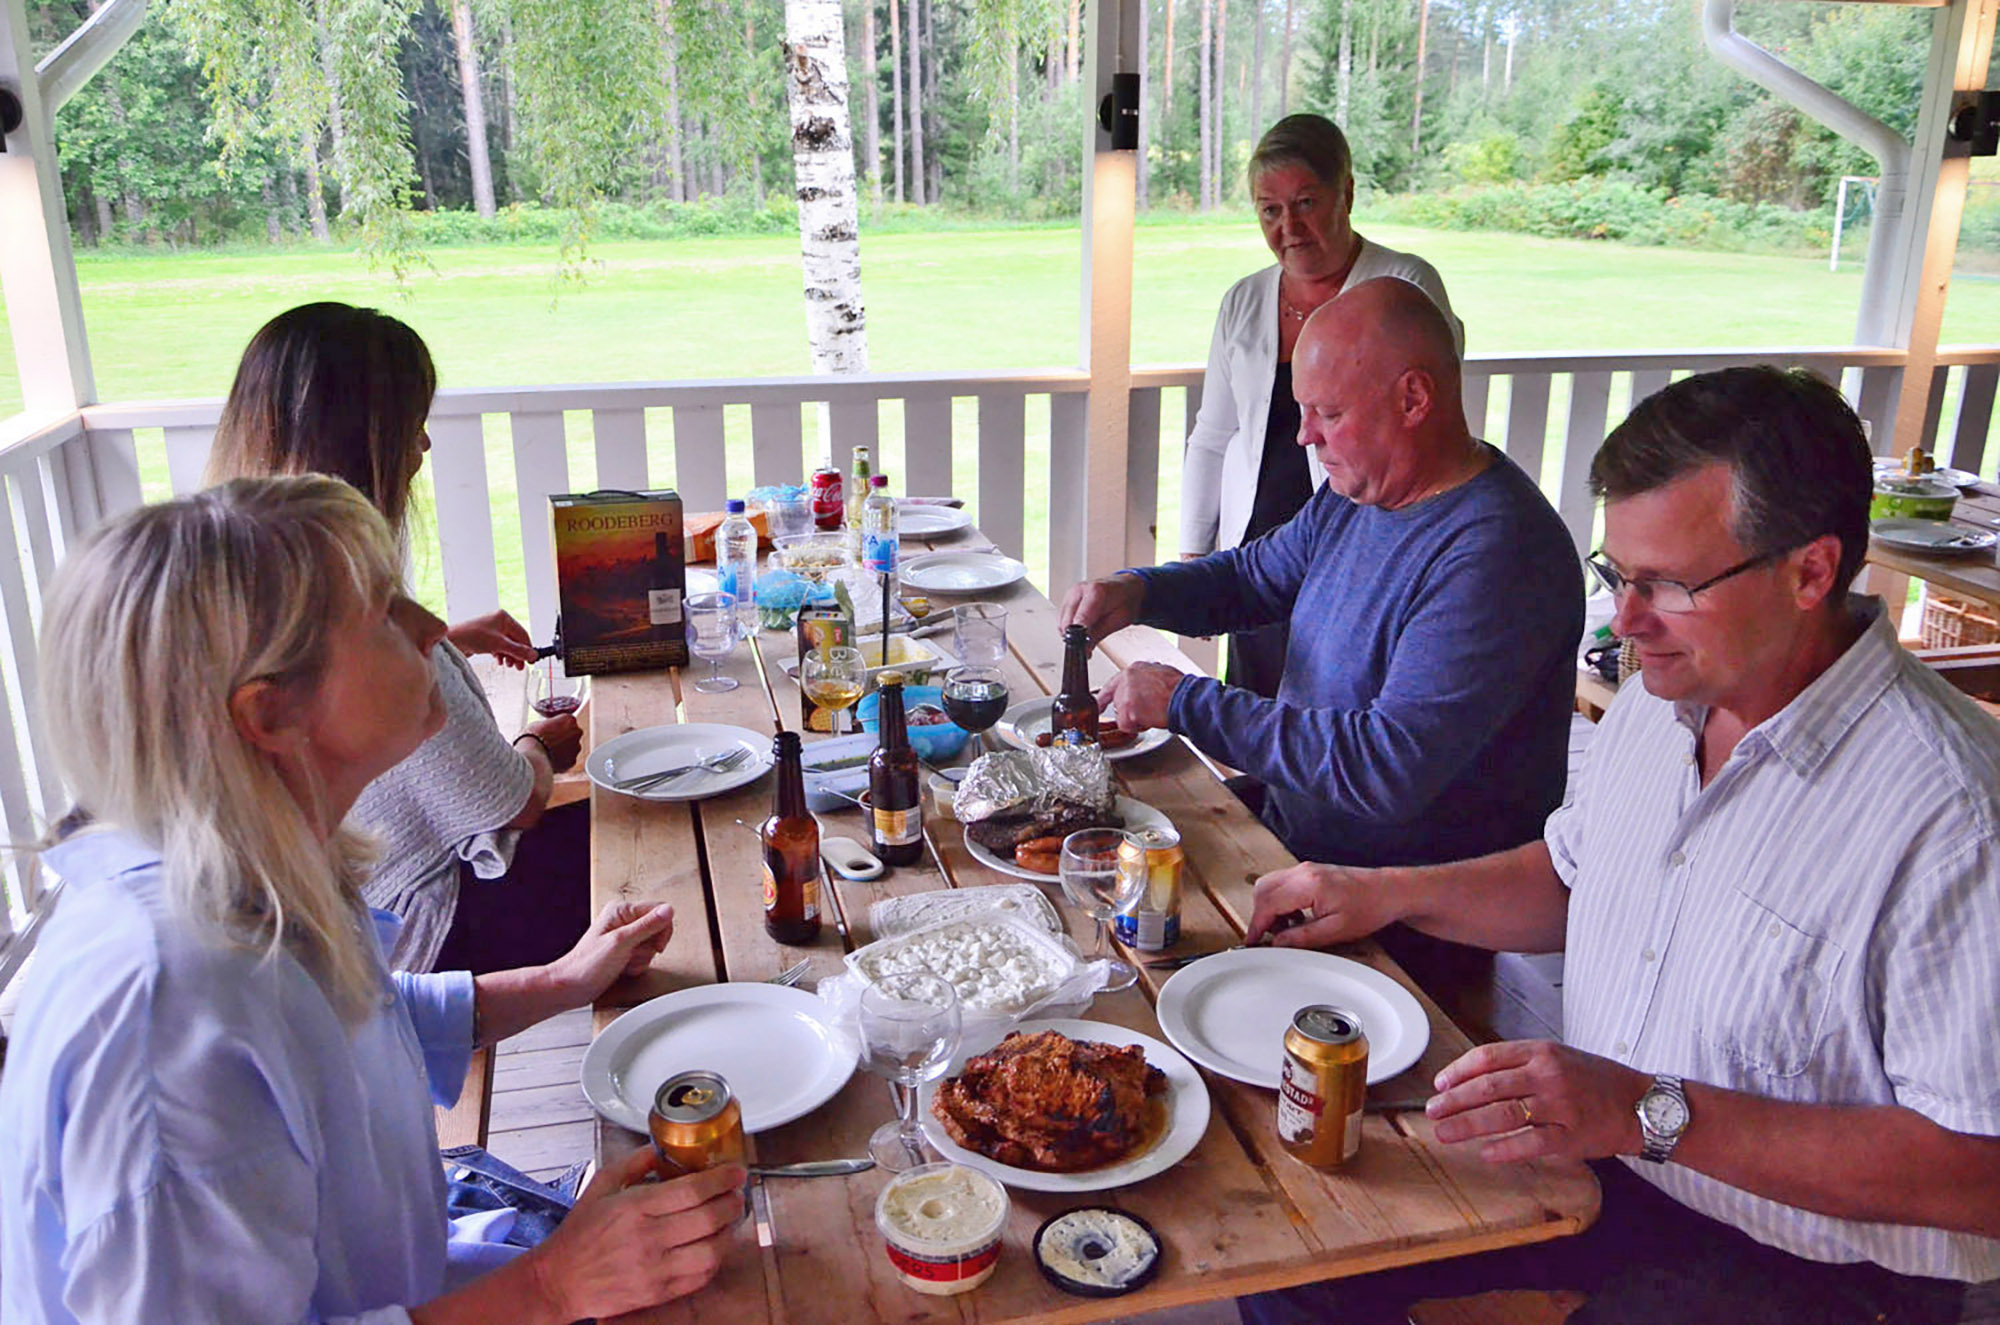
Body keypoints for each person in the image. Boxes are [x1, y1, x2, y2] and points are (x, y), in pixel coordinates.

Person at [1237, 367, 2000, 1324]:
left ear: (1811, 570)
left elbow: (1981, 1170)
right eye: (1618, 576)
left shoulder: (1956, 817)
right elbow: (1571, 874)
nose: (1627, 626)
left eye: (1666, 586)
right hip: (1618, 1161)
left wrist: (1646, 1108)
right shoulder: (1663, 698)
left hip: (1816, 1269)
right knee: (1303, 1239)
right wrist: (1383, 891)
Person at [0, 476, 742, 1324]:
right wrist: (551, 1285)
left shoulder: (258, 870)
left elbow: (358, 1015)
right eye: (386, 611)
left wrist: (565, 980)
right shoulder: (164, 1025)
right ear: (270, 712)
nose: (433, 629)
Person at [1063, 278, 1580, 891]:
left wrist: (1184, 701)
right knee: (1082, 859)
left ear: (1414, 398)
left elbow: (1385, 768)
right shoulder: (1357, 493)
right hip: (1300, 836)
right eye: (1303, 409)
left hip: (1397, 906)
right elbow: (1252, 578)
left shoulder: (1497, 553)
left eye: (1329, 413)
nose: (1306, 436)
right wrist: (1138, 592)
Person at [206, 301, 586, 974]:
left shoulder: (240, 570)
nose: (426, 444)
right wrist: (538, 744)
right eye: (414, 423)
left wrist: (451, 643)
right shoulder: (334, 599)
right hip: (415, 935)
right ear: (361, 438)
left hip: (346, 911)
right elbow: (513, 803)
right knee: (645, 836)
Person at [1181, 113, 1464, 698]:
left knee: (1336, 711)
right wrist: (1194, 553)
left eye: (1306, 202)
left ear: (1348, 194)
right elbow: (1214, 435)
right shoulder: (1244, 300)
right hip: (1259, 551)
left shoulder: (1403, 284)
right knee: (1254, 715)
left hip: (1364, 548)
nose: (1290, 226)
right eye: (1270, 209)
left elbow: (1431, 426)